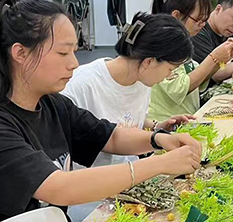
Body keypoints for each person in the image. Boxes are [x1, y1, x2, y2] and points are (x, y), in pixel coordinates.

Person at [0, 0, 201, 222]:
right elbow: (59, 188)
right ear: (20, 53)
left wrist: (158, 139)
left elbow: (109, 136)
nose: (74, 63)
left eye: (74, 52)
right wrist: (159, 164)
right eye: (63, 53)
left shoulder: (49, 102)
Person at [63, 11, 195, 166]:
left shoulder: (142, 79)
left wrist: (157, 127)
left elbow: (127, 118)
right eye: (170, 69)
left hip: (132, 172)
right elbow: (107, 136)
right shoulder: (80, 86)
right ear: (149, 62)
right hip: (95, 178)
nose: (168, 76)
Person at [149, 0, 233, 120]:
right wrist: (213, 57)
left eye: (205, 20)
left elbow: (197, 80)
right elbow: (179, 89)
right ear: (176, 16)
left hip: (185, 117)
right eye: (198, 20)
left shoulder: (182, 41)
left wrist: (221, 60)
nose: (202, 25)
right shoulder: (162, 43)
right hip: (165, 122)